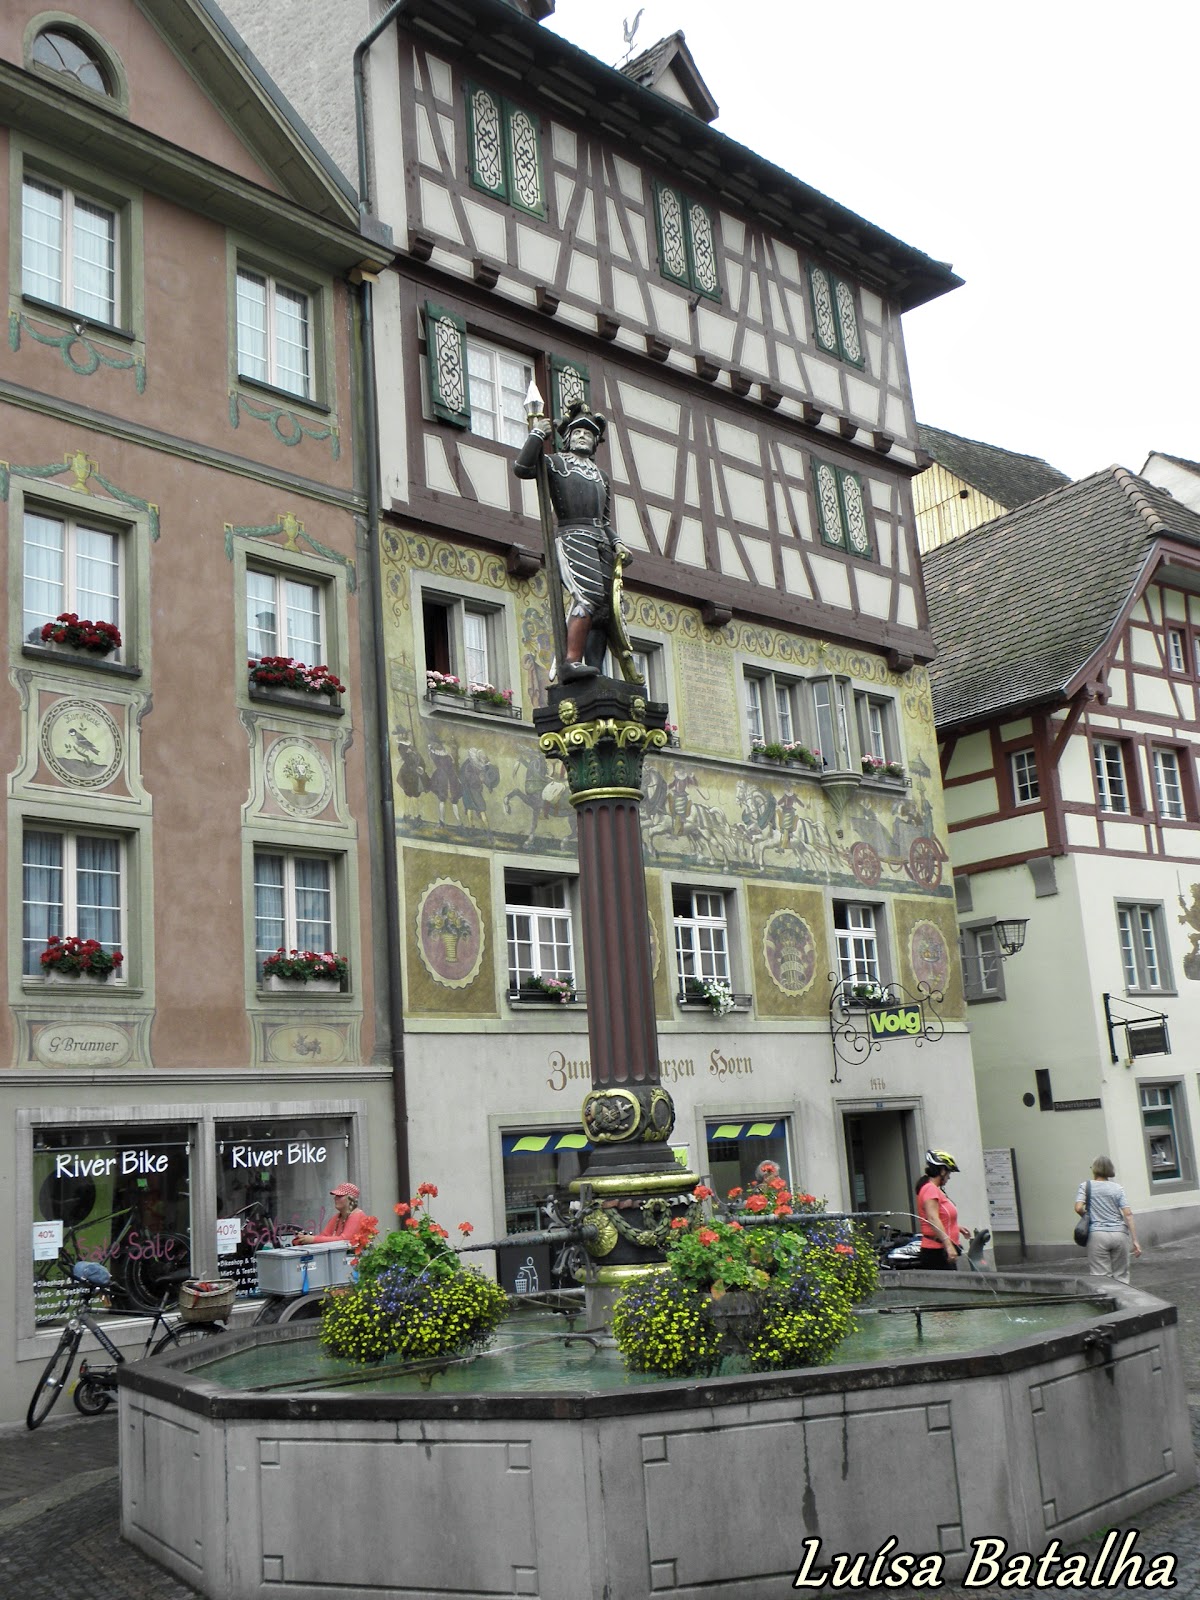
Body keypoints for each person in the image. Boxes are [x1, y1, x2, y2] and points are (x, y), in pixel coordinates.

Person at [512, 399, 639, 681]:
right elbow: (522, 468)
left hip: (600, 542)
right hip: (573, 537)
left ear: (595, 442)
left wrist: (617, 543)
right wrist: (537, 434)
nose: (583, 437)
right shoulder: (556, 463)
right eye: (578, 432)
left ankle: (595, 671)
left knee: (604, 612)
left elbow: (604, 520)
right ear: (567, 438)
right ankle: (570, 661)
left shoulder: (601, 476)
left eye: (589, 434)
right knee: (588, 596)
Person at [1075, 1156, 1141, 1283]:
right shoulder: (1118, 1188)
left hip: (1097, 1235)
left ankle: (1106, 1296)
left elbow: (1078, 1208)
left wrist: (1087, 1216)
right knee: (1121, 1277)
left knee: (1102, 1279)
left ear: (1094, 1169)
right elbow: (1128, 1214)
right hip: (1119, 1235)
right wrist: (1135, 1241)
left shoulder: (1085, 1186)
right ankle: (1122, 1295)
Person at [916, 1149, 970, 1269]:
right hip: (937, 1251)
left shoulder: (933, 1189)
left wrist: (956, 1227)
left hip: (941, 1250)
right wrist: (948, 1245)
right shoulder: (930, 1189)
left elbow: (941, 1216)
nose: (949, 1177)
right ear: (942, 1171)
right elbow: (932, 1218)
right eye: (949, 1172)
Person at [293, 1183, 372, 1251]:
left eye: (339, 1196)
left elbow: (345, 1240)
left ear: (350, 1199)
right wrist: (303, 1239)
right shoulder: (337, 1217)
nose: (335, 1198)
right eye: (335, 1196)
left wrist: (312, 1239)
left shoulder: (357, 1215)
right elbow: (324, 1236)